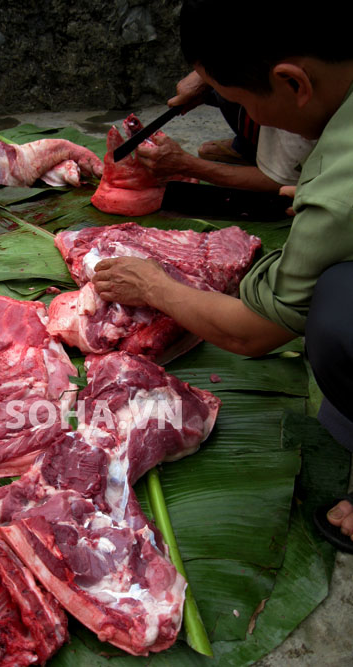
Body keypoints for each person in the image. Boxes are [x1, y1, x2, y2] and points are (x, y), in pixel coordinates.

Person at [92, 0, 353, 551]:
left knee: (338, 309)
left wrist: (153, 285)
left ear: (292, 82)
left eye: (237, 103)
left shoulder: (342, 184)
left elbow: (251, 333)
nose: (247, 120)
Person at [138, 70, 316, 192]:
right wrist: (203, 76)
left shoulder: (296, 100)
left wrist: (187, 165)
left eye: (243, 101)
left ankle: (265, 152)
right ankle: (248, 146)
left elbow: (280, 181)